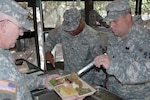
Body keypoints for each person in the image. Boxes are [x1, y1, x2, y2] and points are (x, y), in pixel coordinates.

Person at [0, 0, 83, 100]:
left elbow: (14, 83)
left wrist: (43, 81)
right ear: (4, 26)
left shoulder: (3, 52)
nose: (21, 33)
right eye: (20, 28)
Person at [94, 0, 150, 100]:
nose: (111, 25)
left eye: (115, 21)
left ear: (128, 18)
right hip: (114, 93)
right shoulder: (114, 37)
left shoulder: (145, 38)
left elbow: (147, 71)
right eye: (110, 22)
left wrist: (112, 65)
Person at [45, 8, 106, 86]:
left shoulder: (93, 37)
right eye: (68, 29)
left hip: (86, 82)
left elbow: (99, 64)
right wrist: (47, 51)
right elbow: (51, 38)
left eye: (73, 28)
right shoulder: (63, 31)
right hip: (68, 77)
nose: (70, 31)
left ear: (80, 22)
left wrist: (97, 85)